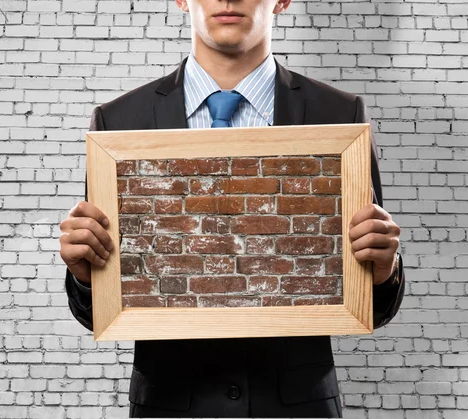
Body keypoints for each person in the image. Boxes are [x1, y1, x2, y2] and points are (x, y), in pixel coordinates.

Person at [59, 0, 405, 417]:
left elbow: (375, 301)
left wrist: (383, 269)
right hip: (171, 405)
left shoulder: (337, 114)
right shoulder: (119, 123)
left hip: (297, 407)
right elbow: (102, 310)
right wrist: (84, 274)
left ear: (282, 1)